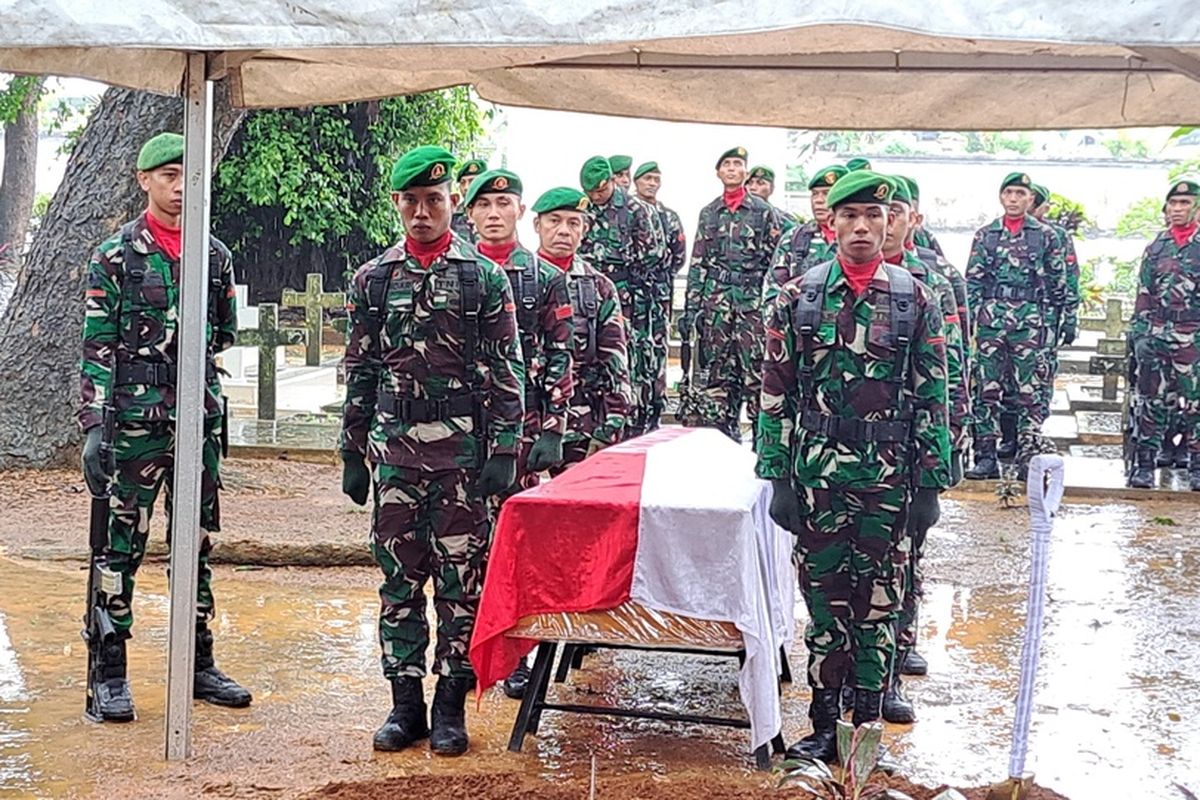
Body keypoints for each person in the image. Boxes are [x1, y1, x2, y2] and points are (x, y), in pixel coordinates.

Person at [758, 170, 951, 762]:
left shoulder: (916, 299)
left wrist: (930, 484)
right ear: (830, 224)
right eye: (850, 217)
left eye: (874, 215)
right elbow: (774, 394)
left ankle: (865, 729)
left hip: (889, 480)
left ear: (891, 221)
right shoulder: (796, 298)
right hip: (818, 480)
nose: (863, 227)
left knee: (880, 605)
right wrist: (778, 478)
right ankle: (822, 722)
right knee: (824, 605)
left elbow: (933, 394)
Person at [340, 145, 525, 756]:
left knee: (459, 584)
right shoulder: (374, 279)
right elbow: (360, 369)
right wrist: (350, 451)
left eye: (435, 201)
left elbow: (506, 372)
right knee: (398, 582)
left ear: (453, 205)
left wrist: (504, 448)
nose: (423, 212)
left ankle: (451, 706)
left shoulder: (482, 277)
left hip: (462, 460)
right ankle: (404, 705)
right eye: (412, 202)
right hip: (394, 456)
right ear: (397, 204)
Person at [78, 131, 251, 722]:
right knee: (118, 545)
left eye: (190, 175)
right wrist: (94, 425)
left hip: (196, 421)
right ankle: (110, 671)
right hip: (132, 424)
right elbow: (97, 345)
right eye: (169, 175)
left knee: (195, 545)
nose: (181, 187)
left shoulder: (215, 254)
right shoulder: (116, 255)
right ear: (144, 180)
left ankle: (198, 664)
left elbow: (222, 333)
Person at [464, 169, 576, 698]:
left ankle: (520, 656)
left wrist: (553, 427)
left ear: (519, 212)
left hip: (525, 431)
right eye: (483, 204)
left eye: (503, 203)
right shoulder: (457, 269)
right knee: (465, 547)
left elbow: (559, 352)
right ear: (469, 215)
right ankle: (466, 651)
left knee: (519, 546)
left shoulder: (544, 277)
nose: (493, 212)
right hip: (462, 429)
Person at [877, 175, 967, 722]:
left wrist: (947, 450)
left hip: (911, 447)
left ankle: (893, 660)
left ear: (914, 218)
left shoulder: (936, 279)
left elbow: (954, 370)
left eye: (896, 210)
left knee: (905, 557)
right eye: (875, 210)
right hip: (851, 452)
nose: (883, 221)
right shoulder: (825, 278)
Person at [964, 172, 1067, 480]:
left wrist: (1055, 322)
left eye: (1020, 193)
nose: (1013, 199)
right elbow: (973, 281)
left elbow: (1057, 282)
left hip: (1029, 321)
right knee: (986, 388)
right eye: (1008, 192)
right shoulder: (986, 235)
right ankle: (985, 455)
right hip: (992, 321)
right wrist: (971, 322)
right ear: (1001, 197)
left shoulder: (1045, 236)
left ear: (1030, 199)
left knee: (1028, 390)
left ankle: (1028, 455)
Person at [679, 146, 782, 442]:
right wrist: (691, 309)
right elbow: (698, 262)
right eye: (727, 164)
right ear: (718, 172)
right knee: (717, 375)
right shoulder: (710, 213)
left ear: (745, 172)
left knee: (755, 374)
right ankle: (721, 441)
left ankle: (762, 447)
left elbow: (775, 263)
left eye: (738, 164)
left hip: (752, 303)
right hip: (717, 304)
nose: (733, 169)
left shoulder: (764, 212)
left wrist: (770, 305)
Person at [534, 187, 634, 471]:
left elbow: (615, 360)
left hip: (581, 422)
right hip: (527, 421)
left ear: (585, 229)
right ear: (537, 225)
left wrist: (613, 422)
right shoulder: (516, 278)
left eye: (573, 222)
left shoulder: (599, 287)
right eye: (554, 221)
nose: (563, 230)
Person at [578, 155, 665, 437]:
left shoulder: (636, 209)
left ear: (611, 183)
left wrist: (622, 270)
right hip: (591, 298)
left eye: (600, 192)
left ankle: (634, 420)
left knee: (634, 358)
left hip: (632, 297)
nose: (596, 197)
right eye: (591, 193)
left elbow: (655, 254)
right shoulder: (584, 209)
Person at [1128, 179, 1200, 491]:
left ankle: (1197, 466)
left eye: (1184, 204)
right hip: (1156, 333)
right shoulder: (1157, 247)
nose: (1177, 209)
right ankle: (1145, 464)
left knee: (1194, 403)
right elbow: (1144, 292)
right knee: (1151, 401)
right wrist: (1140, 335)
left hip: (1193, 335)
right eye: (1173, 204)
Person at [632, 161, 688, 430]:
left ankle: (654, 413)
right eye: (647, 179)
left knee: (657, 355)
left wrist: (660, 278)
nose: (652, 183)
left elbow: (679, 255)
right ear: (636, 182)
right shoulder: (628, 212)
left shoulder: (669, 217)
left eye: (656, 178)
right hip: (632, 299)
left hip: (658, 296)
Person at [764, 164, 846, 307]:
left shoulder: (859, 239)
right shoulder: (794, 239)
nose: (818, 200)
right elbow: (772, 292)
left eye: (826, 193)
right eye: (815, 194)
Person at [746, 165, 797, 234]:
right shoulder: (732, 214)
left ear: (771, 189)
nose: (752, 187)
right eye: (750, 183)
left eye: (760, 183)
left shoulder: (780, 220)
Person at [451, 158, 486, 242]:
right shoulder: (452, 214)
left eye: (472, 181)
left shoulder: (496, 214)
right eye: (462, 183)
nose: (466, 187)